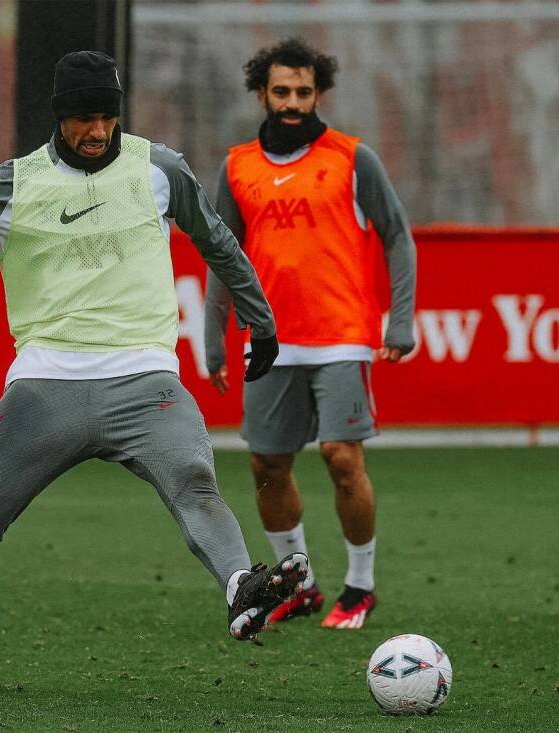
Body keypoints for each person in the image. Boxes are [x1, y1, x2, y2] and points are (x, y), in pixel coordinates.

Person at [0, 50, 307, 693]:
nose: (97, 131)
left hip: (146, 380)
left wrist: (262, 321)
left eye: (107, 117)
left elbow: (217, 241)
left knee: (195, 481)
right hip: (44, 388)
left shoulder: (158, 168)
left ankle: (240, 587)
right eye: (83, 118)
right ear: (58, 117)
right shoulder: (14, 183)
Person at [204, 37, 416, 630]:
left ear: (318, 93)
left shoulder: (352, 158)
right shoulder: (237, 166)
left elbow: (398, 235)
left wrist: (400, 319)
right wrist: (214, 337)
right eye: (282, 91)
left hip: (342, 334)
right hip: (269, 341)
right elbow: (223, 254)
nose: (293, 102)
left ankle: (361, 586)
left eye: (304, 91)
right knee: (266, 466)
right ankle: (299, 586)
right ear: (262, 94)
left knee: (341, 457)